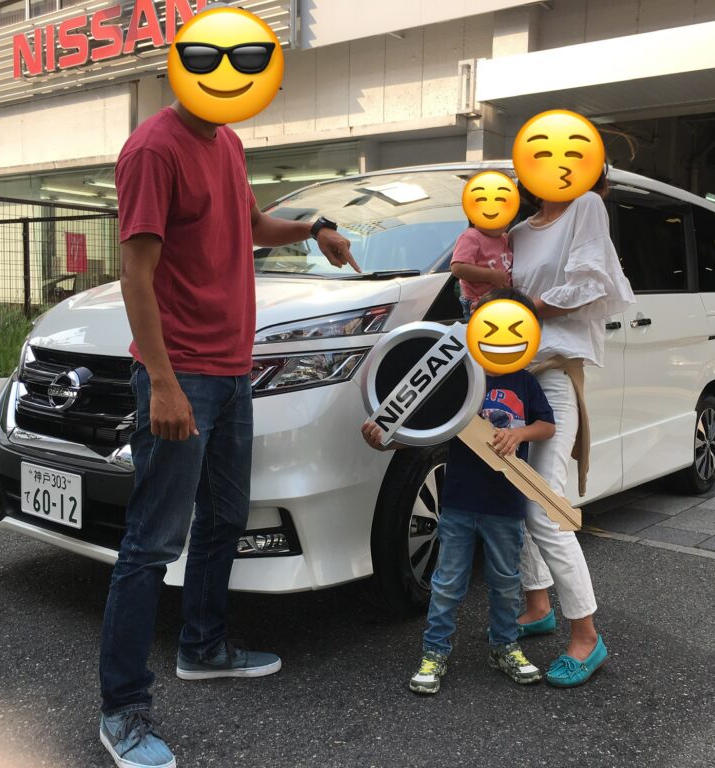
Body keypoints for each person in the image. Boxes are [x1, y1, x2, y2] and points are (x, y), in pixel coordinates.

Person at [99, 99, 358, 768]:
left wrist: (315, 228)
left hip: (233, 371)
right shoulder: (154, 149)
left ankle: (204, 647)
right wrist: (162, 383)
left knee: (223, 517)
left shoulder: (227, 143)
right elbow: (135, 274)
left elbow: (253, 225)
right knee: (151, 543)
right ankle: (122, 711)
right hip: (182, 373)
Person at [360, 289, 556, 695]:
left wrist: (520, 433)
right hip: (458, 503)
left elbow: (547, 425)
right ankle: (434, 652)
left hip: (506, 505)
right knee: (447, 582)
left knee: (506, 583)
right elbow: (419, 431)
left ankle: (504, 647)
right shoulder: (459, 377)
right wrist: (381, 437)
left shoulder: (525, 380)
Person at [508, 169, 635, 688]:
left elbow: (589, 285)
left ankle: (586, 634)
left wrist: (524, 308)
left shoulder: (586, 206)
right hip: (511, 376)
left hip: (555, 375)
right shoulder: (517, 232)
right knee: (515, 492)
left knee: (544, 504)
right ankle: (537, 604)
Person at [450, 221, 512, 321]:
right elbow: (457, 268)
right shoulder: (470, 236)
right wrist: (490, 276)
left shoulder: (505, 238)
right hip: (478, 302)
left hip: (502, 301)